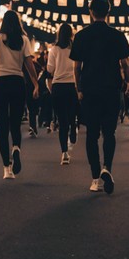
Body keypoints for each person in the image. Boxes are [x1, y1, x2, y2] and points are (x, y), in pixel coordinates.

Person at [71, 0, 129, 195]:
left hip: (90, 89)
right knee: (109, 133)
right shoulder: (116, 35)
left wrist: (78, 88)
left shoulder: (82, 35)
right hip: (111, 89)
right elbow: (127, 63)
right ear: (108, 12)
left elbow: (77, 66)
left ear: (91, 12)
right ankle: (107, 166)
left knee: (91, 134)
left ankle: (95, 178)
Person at [0, 10, 39, 179]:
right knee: (15, 123)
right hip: (17, 82)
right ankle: (16, 148)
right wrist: (36, 83)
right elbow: (29, 64)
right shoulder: (23, 40)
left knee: (3, 125)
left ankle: (6, 168)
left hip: (0, 82)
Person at [47, 23, 78, 164]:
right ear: (71, 34)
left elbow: (50, 69)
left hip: (58, 86)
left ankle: (64, 153)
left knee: (61, 120)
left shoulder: (54, 50)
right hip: (72, 85)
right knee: (71, 115)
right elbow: (80, 66)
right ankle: (73, 128)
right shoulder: (75, 48)